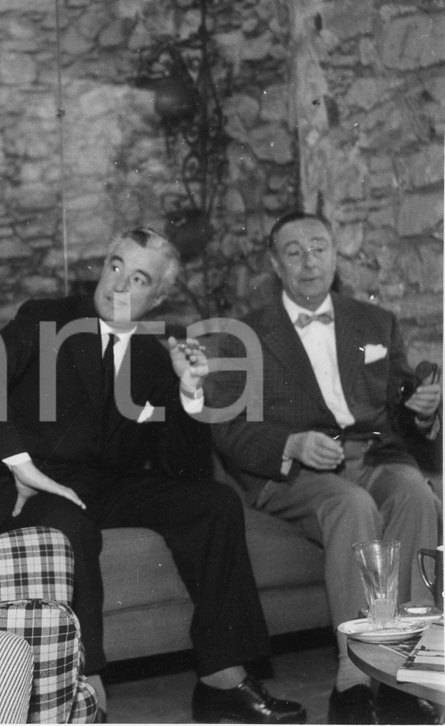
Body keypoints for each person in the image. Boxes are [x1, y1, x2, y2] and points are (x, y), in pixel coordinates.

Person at [0, 226, 307, 723]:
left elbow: (181, 469)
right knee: (68, 526)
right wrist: (19, 463)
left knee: (213, 504)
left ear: (158, 296)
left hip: (102, 487)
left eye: (138, 278)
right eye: (115, 265)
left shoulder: (159, 348)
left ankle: (222, 679)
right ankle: (87, 690)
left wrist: (188, 393)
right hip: (22, 482)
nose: (118, 285)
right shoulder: (48, 316)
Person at [207, 211, 442, 724]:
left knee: (419, 496)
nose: (308, 261)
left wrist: (421, 408)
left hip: (375, 455)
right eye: (294, 251)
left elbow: (399, 402)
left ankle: (404, 666)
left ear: (336, 256)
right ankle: (354, 674)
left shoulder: (375, 323)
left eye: (318, 247)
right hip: (295, 471)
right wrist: (292, 441)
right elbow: (225, 428)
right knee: (352, 505)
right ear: (275, 264)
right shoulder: (242, 336)